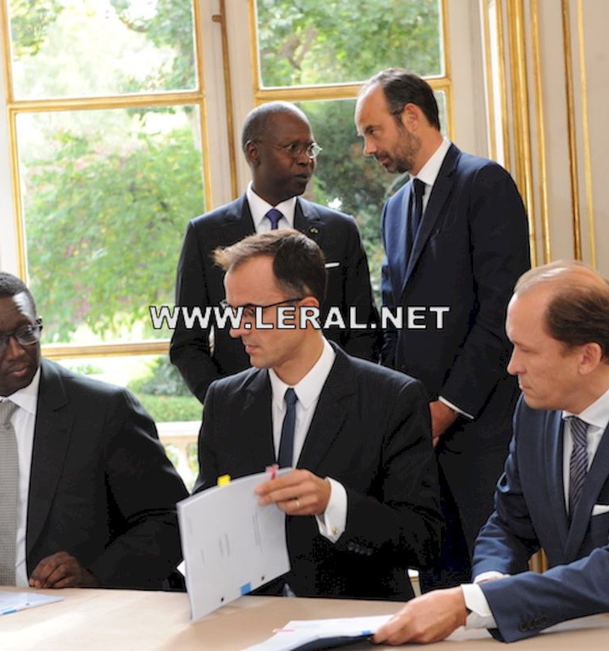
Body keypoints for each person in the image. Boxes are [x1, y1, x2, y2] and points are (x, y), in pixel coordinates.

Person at [372, 260, 609, 644]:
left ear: (586, 357)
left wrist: (471, 602)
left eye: (526, 350)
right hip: (578, 635)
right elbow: (509, 523)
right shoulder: (534, 411)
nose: (513, 366)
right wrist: (492, 579)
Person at [0, 271, 188, 602]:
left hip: (71, 613)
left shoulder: (103, 410)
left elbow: (169, 521)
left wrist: (94, 573)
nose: (16, 351)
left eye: (26, 332)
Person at [194, 229, 443, 600]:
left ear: (307, 310)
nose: (236, 329)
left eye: (252, 312)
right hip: (249, 625)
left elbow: (423, 541)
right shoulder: (224, 400)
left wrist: (333, 502)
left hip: (357, 625)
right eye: (232, 311)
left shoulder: (393, 398)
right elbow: (208, 523)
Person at [354, 68, 531, 590]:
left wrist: (447, 408)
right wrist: (402, 408)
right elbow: (394, 321)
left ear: (411, 117)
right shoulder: (392, 208)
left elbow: (503, 312)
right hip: (420, 442)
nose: (368, 148)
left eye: (372, 131)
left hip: (481, 440)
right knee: (436, 596)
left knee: (491, 600)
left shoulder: (485, 182)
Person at [170, 101, 378, 403]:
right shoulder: (206, 234)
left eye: (310, 149)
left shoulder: (339, 230)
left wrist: (346, 400)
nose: (306, 160)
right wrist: (226, 402)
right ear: (254, 153)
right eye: (293, 148)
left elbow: (363, 330)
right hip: (243, 419)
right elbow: (187, 342)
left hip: (334, 412)